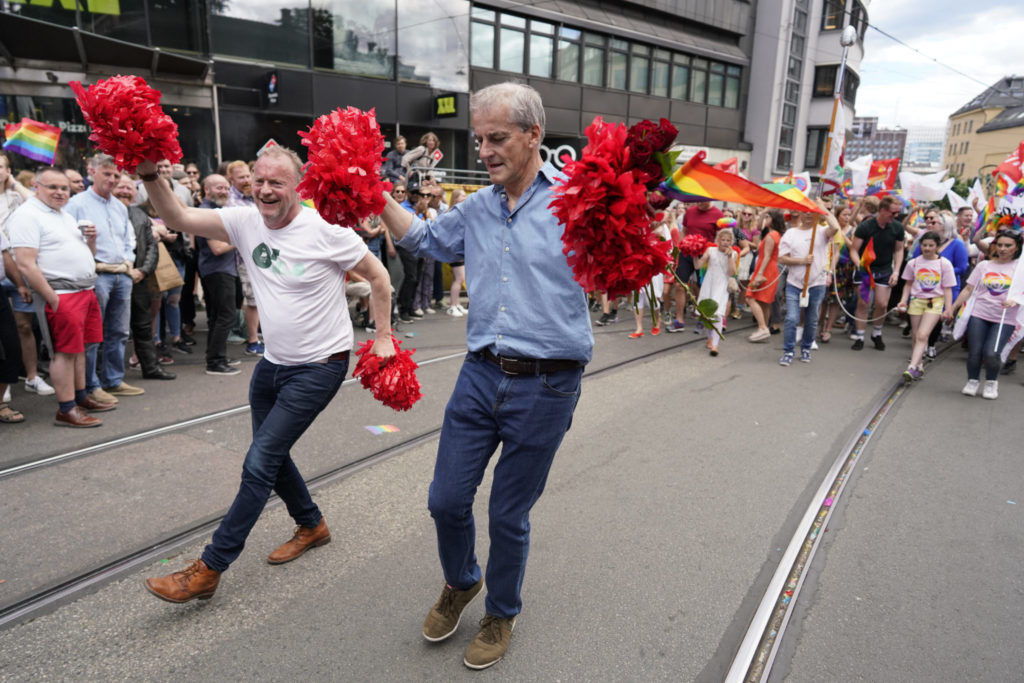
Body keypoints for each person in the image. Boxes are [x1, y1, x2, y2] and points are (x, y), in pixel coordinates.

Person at [379, 81, 591, 670]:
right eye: (480, 139)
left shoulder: (576, 203)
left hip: (547, 383)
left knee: (506, 514)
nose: (485, 151)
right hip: (480, 373)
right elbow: (424, 239)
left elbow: (619, 263)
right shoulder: (476, 207)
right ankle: (462, 579)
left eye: (497, 138)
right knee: (446, 500)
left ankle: (501, 611)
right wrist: (372, 192)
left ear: (533, 135)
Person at [141, 145, 393, 602]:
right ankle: (312, 524)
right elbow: (177, 216)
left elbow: (379, 278)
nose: (265, 189)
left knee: (259, 461)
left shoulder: (326, 230)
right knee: (270, 456)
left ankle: (209, 568)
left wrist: (383, 336)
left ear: (299, 185)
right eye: (259, 180)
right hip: (273, 364)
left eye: (277, 182)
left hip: (321, 365)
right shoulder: (243, 220)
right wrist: (148, 174)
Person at [9, 167, 111, 427]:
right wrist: (52, 298)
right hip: (61, 293)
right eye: (52, 187)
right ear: (36, 186)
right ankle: (66, 409)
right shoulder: (27, 215)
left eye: (64, 188)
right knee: (64, 353)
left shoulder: (62, 214)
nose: (60, 192)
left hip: (83, 290)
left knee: (79, 348)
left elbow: (84, 254)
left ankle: (80, 397)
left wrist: (91, 241)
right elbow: (25, 264)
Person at [66, 153, 145, 401]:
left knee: (119, 331)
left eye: (116, 175)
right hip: (96, 274)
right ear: (93, 172)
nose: (112, 179)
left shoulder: (119, 206)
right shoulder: (76, 204)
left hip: (121, 274)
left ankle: (113, 380)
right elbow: (67, 238)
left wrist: (128, 261)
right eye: (107, 174)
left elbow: (127, 239)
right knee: (92, 333)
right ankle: (91, 386)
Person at [112, 174, 175, 381]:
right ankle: (109, 376)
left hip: (139, 277)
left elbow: (151, 246)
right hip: (113, 276)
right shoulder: (105, 212)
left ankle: (150, 367)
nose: (124, 191)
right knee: (113, 328)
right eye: (120, 187)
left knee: (143, 325)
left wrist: (144, 270)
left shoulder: (139, 214)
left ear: (135, 193)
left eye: (129, 188)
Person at [950, 230, 1022, 400]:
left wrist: (1016, 300)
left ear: (1017, 247)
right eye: (1000, 245)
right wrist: (953, 307)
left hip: (1005, 318)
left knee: (992, 352)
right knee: (975, 352)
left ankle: (991, 382)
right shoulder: (984, 266)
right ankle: (972, 381)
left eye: (1008, 245)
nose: (1003, 249)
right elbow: (968, 289)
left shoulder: (1021, 269)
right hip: (979, 314)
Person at [777, 206, 841, 365]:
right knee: (792, 318)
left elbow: (835, 227)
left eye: (812, 212)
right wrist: (802, 261)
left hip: (817, 283)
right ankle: (788, 351)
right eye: (805, 211)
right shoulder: (791, 233)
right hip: (794, 283)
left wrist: (822, 207)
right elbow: (782, 258)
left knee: (812, 319)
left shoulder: (822, 231)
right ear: (800, 212)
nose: (808, 214)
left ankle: (806, 348)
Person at [895, 230, 956, 380]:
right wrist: (903, 300)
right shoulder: (913, 263)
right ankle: (919, 365)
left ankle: (911, 367)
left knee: (923, 334)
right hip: (916, 301)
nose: (927, 248)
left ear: (937, 246)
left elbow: (948, 288)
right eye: (924, 245)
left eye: (931, 245)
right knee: (916, 335)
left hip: (934, 302)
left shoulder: (944, 264)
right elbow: (908, 284)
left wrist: (948, 309)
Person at [849, 195, 904, 351]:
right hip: (865, 269)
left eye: (898, 212)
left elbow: (899, 250)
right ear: (882, 210)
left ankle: (877, 333)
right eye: (893, 213)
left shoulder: (897, 227)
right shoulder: (866, 226)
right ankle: (860, 336)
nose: (896, 216)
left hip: (885, 270)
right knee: (863, 303)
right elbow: (854, 250)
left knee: (882, 304)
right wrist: (858, 265)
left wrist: (896, 271)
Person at [224, 160, 264, 356]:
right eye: (241, 177)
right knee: (253, 300)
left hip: (263, 255)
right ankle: (253, 341)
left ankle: (260, 335)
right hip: (244, 259)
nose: (247, 180)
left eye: (248, 176)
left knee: (263, 298)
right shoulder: (231, 201)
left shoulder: (254, 196)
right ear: (231, 179)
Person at [666, 200, 723, 333]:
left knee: (703, 287)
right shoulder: (690, 211)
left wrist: (713, 252)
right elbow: (684, 231)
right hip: (687, 253)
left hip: (705, 255)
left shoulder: (718, 214)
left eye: (703, 201)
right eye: (698, 201)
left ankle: (703, 318)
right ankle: (679, 320)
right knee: (679, 285)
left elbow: (719, 237)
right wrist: (679, 247)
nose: (700, 203)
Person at [696, 228, 738, 356]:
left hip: (722, 285)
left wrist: (730, 257)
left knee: (718, 313)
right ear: (718, 240)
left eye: (728, 240)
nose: (725, 242)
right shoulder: (710, 250)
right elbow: (697, 266)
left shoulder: (734, 254)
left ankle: (715, 345)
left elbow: (731, 272)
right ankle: (710, 337)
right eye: (723, 239)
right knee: (707, 313)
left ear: (731, 242)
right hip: (709, 283)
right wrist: (694, 254)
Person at [746, 209, 785, 342]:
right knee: (764, 302)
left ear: (773, 220)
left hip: (766, 268)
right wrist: (764, 213)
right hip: (770, 268)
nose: (766, 218)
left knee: (750, 297)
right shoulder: (776, 234)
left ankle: (762, 327)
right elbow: (759, 227)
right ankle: (763, 328)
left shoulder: (771, 235)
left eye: (768, 217)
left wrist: (759, 273)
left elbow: (767, 256)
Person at [820, 203, 855, 343]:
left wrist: (842, 234)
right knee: (823, 299)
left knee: (835, 300)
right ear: (837, 216)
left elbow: (853, 247)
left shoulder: (852, 230)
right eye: (844, 215)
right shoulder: (828, 227)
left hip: (843, 268)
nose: (847, 217)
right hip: (826, 265)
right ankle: (821, 325)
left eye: (849, 215)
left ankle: (828, 328)